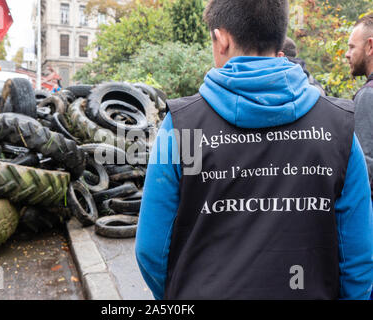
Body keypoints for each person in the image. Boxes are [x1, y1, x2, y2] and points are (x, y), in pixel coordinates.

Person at [135, 0, 373, 300]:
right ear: (279, 36)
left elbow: (151, 249)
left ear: (221, 40)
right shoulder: (339, 127)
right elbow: (359, 258)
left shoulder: (181, 125)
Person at [345, 13, 373, 300]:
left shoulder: (367, 97)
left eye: (352, 47)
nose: (347, 54)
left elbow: (365, 171)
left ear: (370, 46)